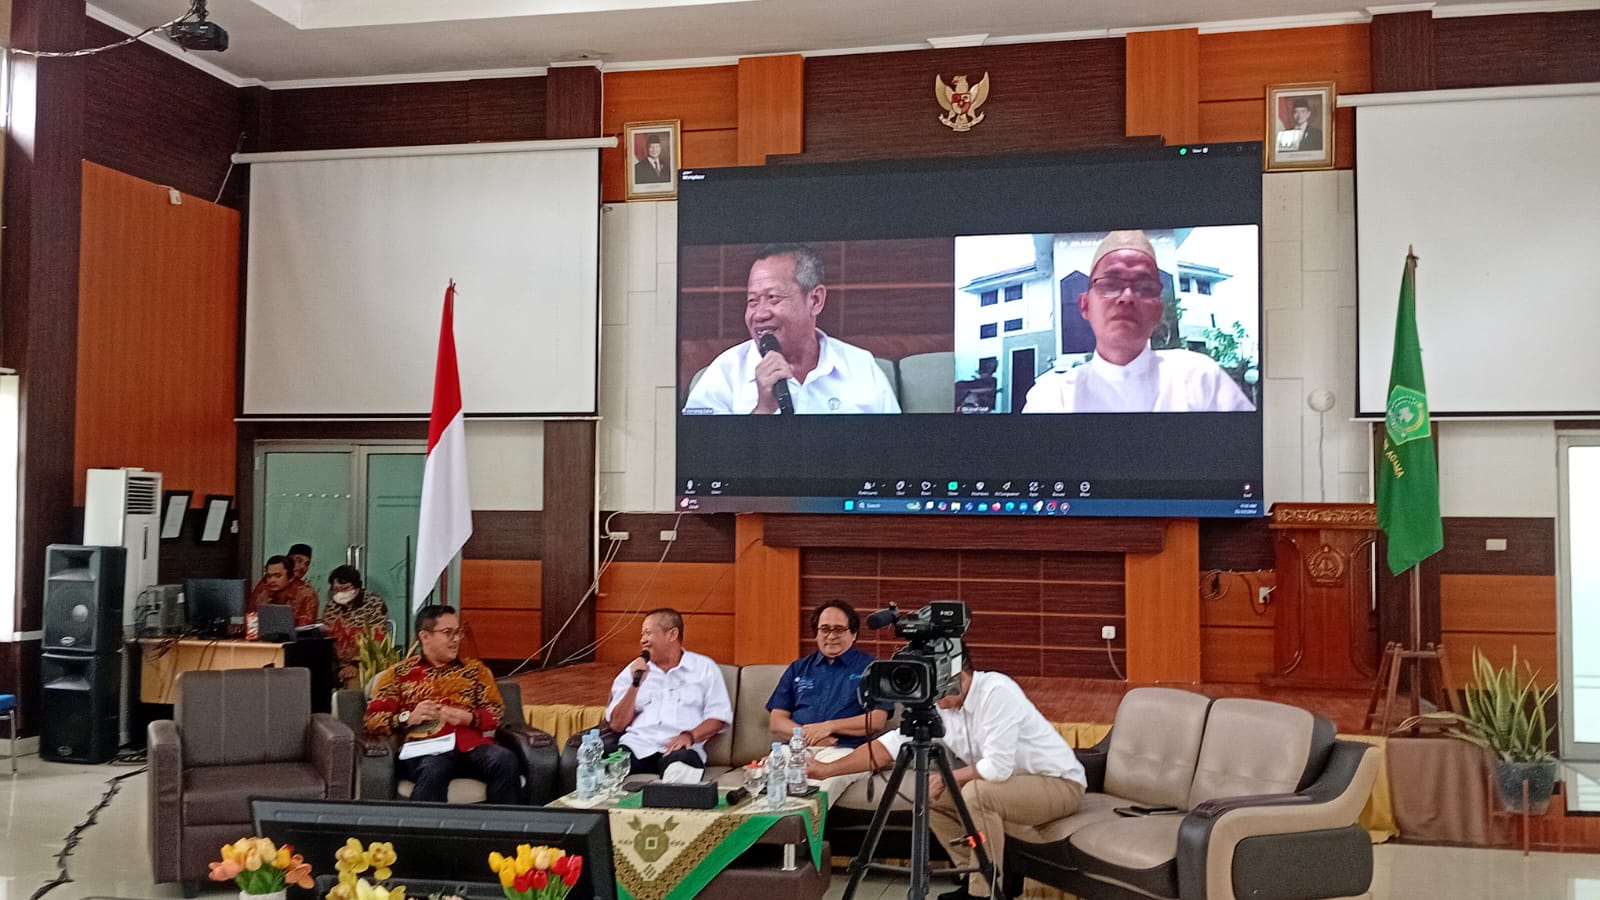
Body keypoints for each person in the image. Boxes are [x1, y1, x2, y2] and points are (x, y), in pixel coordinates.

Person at [808, 654, 1086, 900]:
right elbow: (886, 749)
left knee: (974, 793)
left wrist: (949, 777)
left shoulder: (997, 691)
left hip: (1059, 785)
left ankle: (983, 891)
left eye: (940, 686)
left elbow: (998, 767)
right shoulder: (941, 703)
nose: (936, 698)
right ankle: (974, 874)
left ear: (960, 675)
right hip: (1008, 787)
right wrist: (825, 770)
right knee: (932, 796)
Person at [1021, 230, 1256, 413]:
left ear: (1159, 310)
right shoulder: (1052, 397)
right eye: (1111, 284)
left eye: (1144, 288)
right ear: (1085, 305)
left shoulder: (1200, 379)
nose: (1127, 297)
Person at [682, 243, 902, 415]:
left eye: (773, 298)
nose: (759, 314)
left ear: (815, 300)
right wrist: (763, 410)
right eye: (752, 301)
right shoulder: (725, 372)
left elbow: (893, 458)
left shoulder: (860, 367)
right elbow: (700, 459)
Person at [363, 604, 520, 804]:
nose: (456, 639)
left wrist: (470, 718)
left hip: (471, 747)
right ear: (425, 636)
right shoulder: (398, 674)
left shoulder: (475, 671)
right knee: (435, 767)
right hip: (424, 749)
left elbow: (495, 711)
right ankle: (426, 834)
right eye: (448, 633)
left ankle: (502, 832)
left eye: (458, 633)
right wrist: (407, 717)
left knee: (504, 760)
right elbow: (373, 720)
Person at [606, 608, 733, 776]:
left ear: (672, 634)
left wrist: (690, 736)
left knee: (681, 771)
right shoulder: (633, 671)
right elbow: (617, 724)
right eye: (642, 635)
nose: (643, 640)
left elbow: (718, 718)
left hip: (680, 750)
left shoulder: (704, 668)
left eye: (648, 633)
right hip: (636, 747)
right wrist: (635, 684)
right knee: (600, 765)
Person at [768, 600, 890, 749]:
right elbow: (777, 720)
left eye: (839, 629)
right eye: (825, 629)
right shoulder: (798, 668)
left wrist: (829, 727)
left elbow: (877, 720)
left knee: (824, 771)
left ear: (853, 634)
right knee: (773, 771)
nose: (831, 636)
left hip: (844, 750)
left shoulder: (873, 668)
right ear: (816, 634)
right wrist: (809, 736)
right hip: (798, 748)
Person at [322, 564, 389, 689]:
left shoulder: (373, 604)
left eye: (344, 588)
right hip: (336, 664)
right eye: (335, 590)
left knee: (353, 688)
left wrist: (355, 664)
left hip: (364, 663)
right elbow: (327, 638)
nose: (339, 593)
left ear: (356, 586)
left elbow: (377, 640)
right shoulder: (331, 607)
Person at [246, 554, 321, 626]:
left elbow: (305, 627)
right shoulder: (263, 589)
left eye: (277, 576)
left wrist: (268, 612)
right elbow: (250, 623)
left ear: (291, 578)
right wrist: (260, 608)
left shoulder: (306, 594)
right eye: (269, 576)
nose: (272, 580)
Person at [288, 543, 321, 607]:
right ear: (287, 560)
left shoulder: (308, 593)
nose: (303, 567)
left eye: (307, 564)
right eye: (299, 561)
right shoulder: (269, 584)